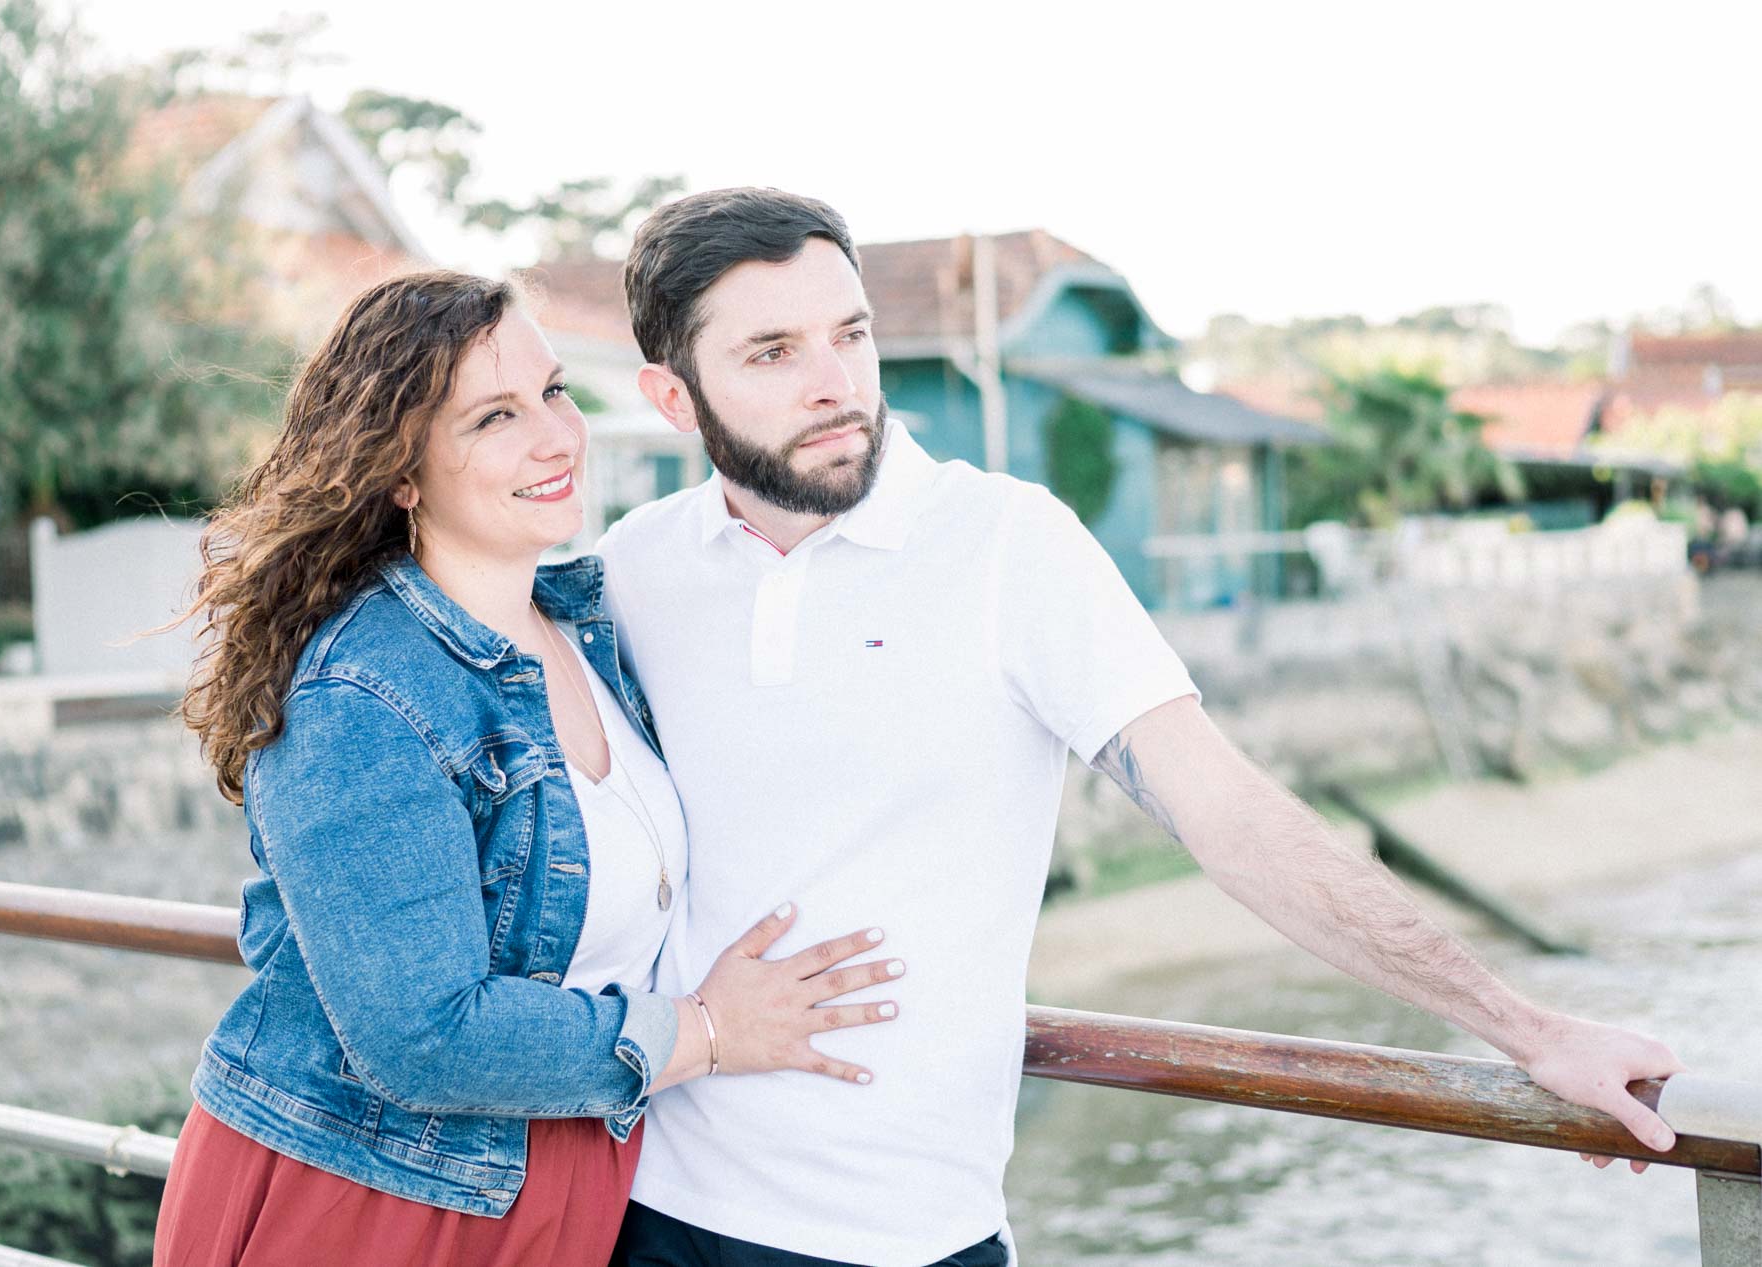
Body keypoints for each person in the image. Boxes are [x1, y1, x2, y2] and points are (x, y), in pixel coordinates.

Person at [595, 188, 1685, 1267]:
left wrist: (1530, 1032)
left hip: (904, 1235)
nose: (836, 384)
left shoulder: (1008, 546)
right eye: (773, 353)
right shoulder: (630, 569)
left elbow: (1227, 815)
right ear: (674, 399)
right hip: (639, 1200)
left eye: (852, 333)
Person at [151, 271, 903, 1267]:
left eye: (554, 391)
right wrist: (710, 1030)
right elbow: (420, 1035)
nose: (557, 436)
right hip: (371, 1202)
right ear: (400, 472)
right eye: (494, 417)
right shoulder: (359, 692)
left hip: (572, 1184)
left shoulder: (594, 626)